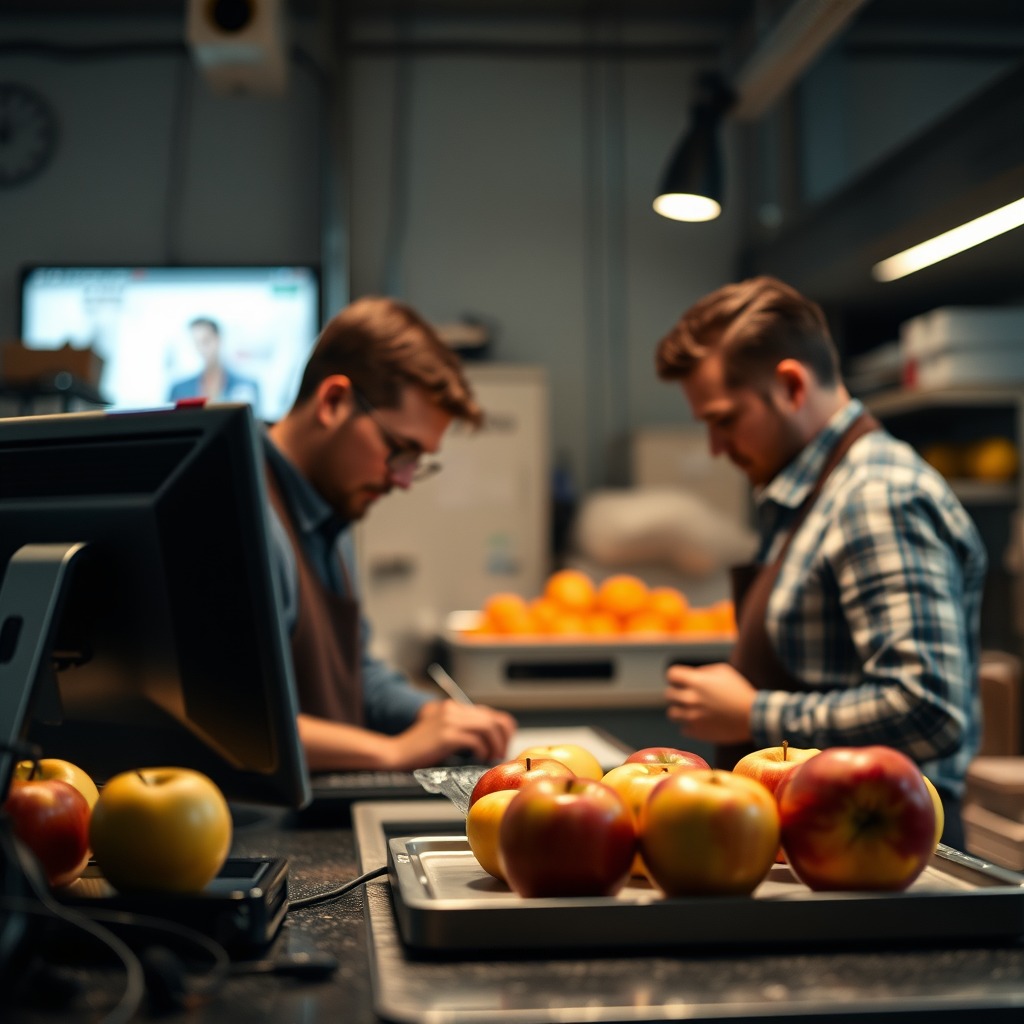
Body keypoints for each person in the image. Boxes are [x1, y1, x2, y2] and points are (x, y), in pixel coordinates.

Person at [654, 275, 987, 847]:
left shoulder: (875, 497)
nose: (715, 447)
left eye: (724, 420)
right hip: (830, 836)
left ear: (790, 385)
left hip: (882, 845)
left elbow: (930, 710)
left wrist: (757, 714)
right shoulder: (810, 492)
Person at [263, 296, 516, 772]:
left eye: (418, 462)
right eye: (400, 449)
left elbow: (355, 676)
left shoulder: (329, 511)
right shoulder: (248, 513)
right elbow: (239, 721)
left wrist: (434, 716)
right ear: (333, 401)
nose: (402, 480)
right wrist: (391, 752)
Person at [168, 317, 260, 407]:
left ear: (218, 339)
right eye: (197, 343)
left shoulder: (246, 385)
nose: (202, 349)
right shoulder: (180, 390)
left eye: (206, 341)